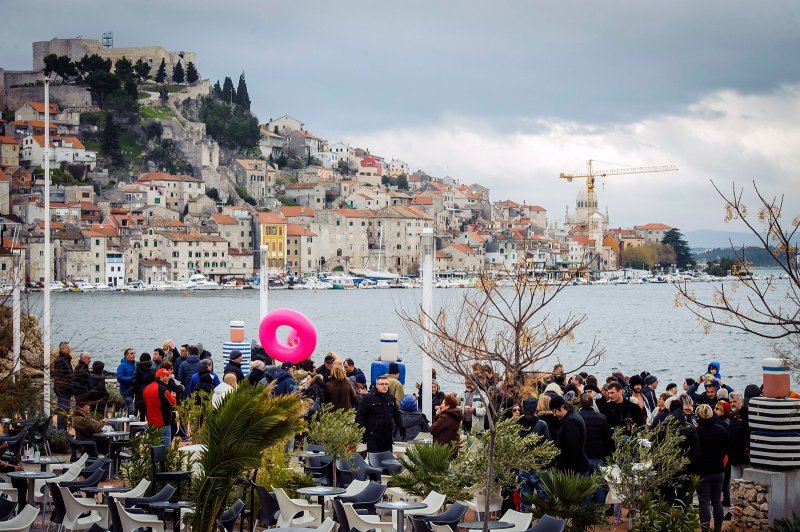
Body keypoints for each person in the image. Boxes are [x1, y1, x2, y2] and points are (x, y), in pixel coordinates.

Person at [695, 403, 730, 532]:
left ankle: (705, 529)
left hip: (703, 471)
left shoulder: (696, 431)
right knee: (717, 502)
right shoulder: (721, 430)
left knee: (704, 502)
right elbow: (727, 448)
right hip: (718, 469)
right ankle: (717, 528)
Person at [356, 375, 405, 452]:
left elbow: (396, 414)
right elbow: (360, 416)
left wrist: (401, 426)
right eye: (382, 384)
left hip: (387, 437)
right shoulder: (368, 398)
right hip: (373, 437)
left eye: (386, 384)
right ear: (376, 385)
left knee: (388, 461)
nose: (384, 386)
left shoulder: (391, 398)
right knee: (374, 461)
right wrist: (362, 434)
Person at [578, 392, 610, 502]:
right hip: (598, 454)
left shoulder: (576, 417)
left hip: (582, 456)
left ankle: (587, 510)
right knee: (599, 483)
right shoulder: (601, 417)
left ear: (580, 404)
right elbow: (606, 437)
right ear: (592, 404)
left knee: (585, 484)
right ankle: (600, 509)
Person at [550, 395, 591, 475]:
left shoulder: (571, 420)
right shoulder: (571, 417)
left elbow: (572, 447)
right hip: (576, 467)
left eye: (554, 411)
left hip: (574, 469)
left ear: (562, 407)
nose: (554, 415)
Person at [144, 368, 177, 447]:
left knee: (154, 446)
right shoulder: (163, 390)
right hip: (163, 421)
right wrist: (174, 397)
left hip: (151, 421)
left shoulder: (147, 388)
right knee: (166, 448)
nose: (169, 377)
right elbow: (173, 403)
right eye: (167, 375)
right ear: (161, 377)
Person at [53, 341, 74, 427]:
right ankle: (61, 431)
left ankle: (62, 430)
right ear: (62, 349)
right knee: (63, 410)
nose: (69, 349)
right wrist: (68, 387)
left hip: (65, 390)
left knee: (65, 410)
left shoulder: (66, 359)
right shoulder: (61, 361)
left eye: (69, 347)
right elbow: (61, 378)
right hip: (63, 390)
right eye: (67, 347)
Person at [134, 353, 156, 420]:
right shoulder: (153, 369)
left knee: (141, 412)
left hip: (140, 391)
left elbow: (134, 380)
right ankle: (150, 428)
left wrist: (135, 389)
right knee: (150, 411)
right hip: (150, 391)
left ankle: (141, 428)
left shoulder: (137, 368)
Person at [116, 348, 137, 415]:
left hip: (133, 391)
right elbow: (119, 377)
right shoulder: (122, 366)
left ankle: (130, 424)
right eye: (131, 353)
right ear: (126, 355)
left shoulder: (135, 365)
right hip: (126, 391)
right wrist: (131, 378)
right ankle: (130, 425)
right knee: (131, 410)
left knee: (132, 410)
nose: (133, 355)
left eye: (134, 353)